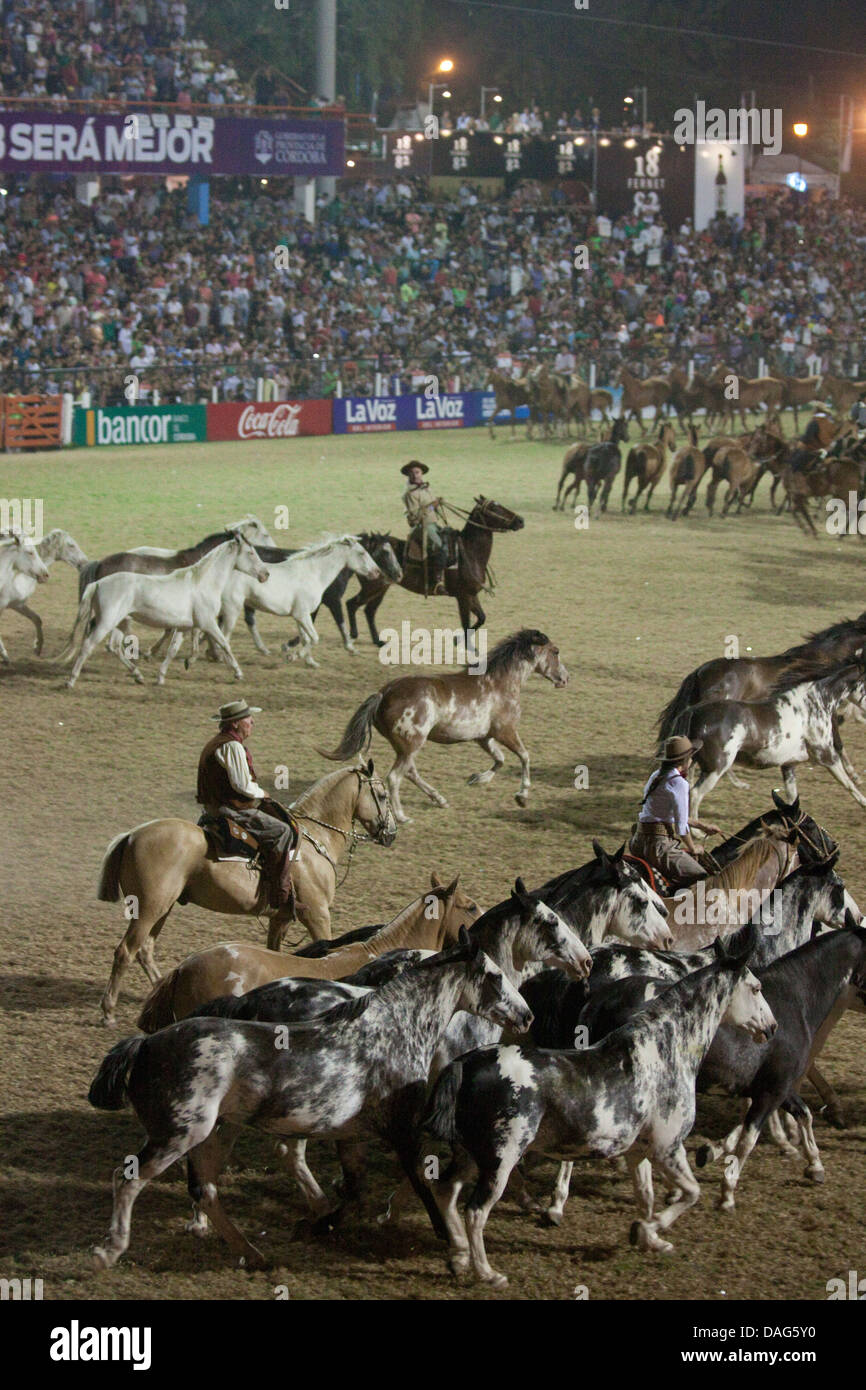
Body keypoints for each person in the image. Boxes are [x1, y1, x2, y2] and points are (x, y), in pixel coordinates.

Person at [196, 699, 295, 910]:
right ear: (235, 724)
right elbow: (241, 785)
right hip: (232, 809)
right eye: (248, 719)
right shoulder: (232, 746)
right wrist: (262, 793)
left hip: (214, 807)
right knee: (283, 831)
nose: (252, 722)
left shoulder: (218, 743)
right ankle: (279, 894)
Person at [629, 735, 722, 886]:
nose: (692, 761)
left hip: (638, 841)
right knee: (702, 877)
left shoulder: (656, 776)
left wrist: (703, 827)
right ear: (684, 761)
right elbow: (681, 828)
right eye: (691, 757)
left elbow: (667, 815)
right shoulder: (679, 783)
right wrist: (693, 848)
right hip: (658, 846)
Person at [401, 460, 448, 594]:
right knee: (440, 546)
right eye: (412, 473)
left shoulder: (427, 488)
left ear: (422, 473)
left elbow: (431, 505)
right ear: (408, 475)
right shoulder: (409, 494)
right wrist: (433, 505)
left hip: (433, 523)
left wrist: (437, 503)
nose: (415, 475)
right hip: (422, 526)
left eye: (417, 472)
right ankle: (438, 581)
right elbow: (415, 516)